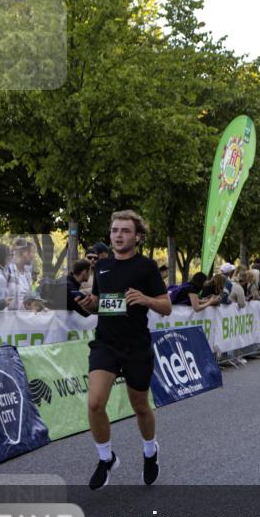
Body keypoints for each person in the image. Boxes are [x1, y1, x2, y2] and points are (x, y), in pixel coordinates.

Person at [74, 210, 171, 490]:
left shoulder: (147, 267)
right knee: (94, 403)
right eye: (115, 230)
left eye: (125, 231)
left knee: (140, 406)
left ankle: (150, 451)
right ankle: (106, 458)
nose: (118, 235)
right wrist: (92, 303)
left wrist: (146, 299)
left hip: (136, 345)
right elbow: (103, 304)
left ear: (137, 237)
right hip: (105, 342)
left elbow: (166, 307)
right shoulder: (102, 268)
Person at [6, 238, 38, 310]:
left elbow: (28, 299)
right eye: (33, 252)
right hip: (7, 319)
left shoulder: (28, 275)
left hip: (23, 319)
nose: (34, 256)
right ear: (25, 253)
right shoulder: (8, 270)